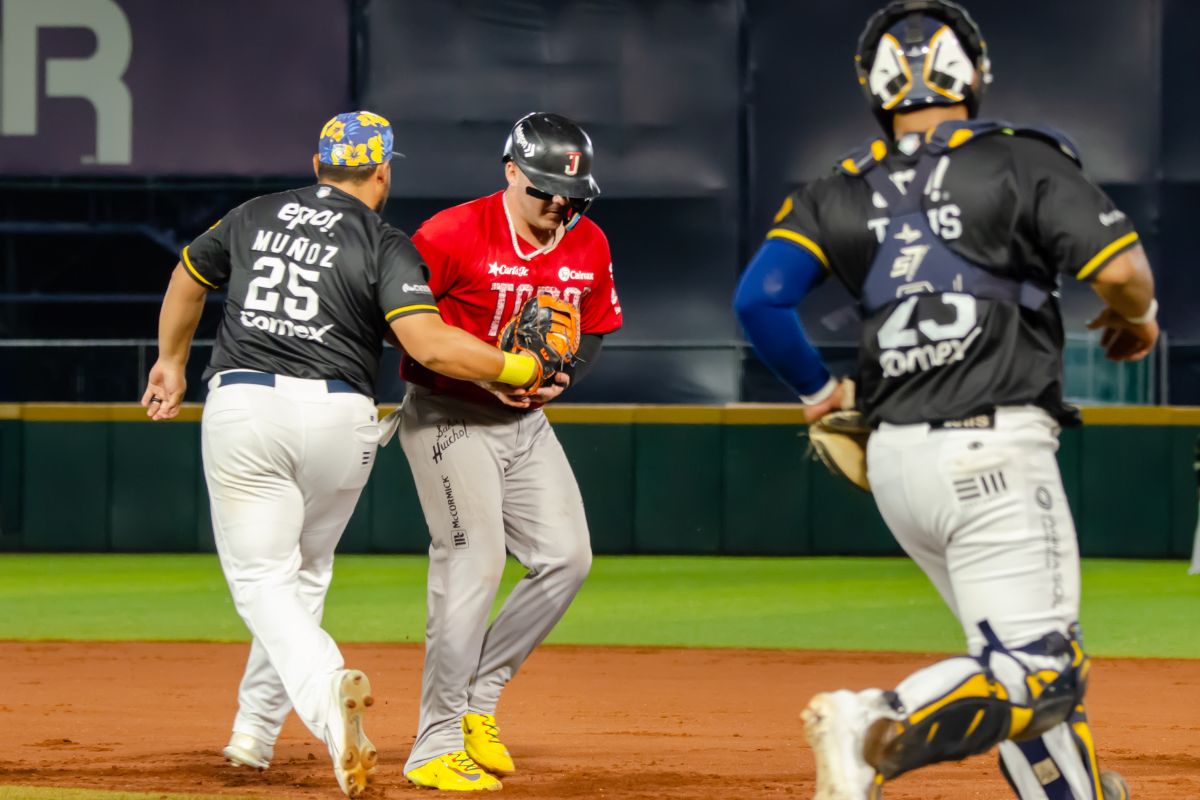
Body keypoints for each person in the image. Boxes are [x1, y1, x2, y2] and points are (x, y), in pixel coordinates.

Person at [733, 2, 1152, 798]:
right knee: (1045, 670)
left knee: (1011, 656)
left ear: (875, 88)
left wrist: (820, 392)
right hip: (992, 448)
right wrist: (1141, 319)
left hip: (897, 465)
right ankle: (873, 724)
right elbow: (1124, 274)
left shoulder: (837, 189)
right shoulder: (1020, 160)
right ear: (976, 73)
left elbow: (760, 302)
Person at [141, 111, 555, 798]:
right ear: (384, 170)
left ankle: (329, 694)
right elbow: (427, 346)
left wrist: (171, 362)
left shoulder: (254, 215)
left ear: (316, 164)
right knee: (303, 575)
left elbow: (188, 276)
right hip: (341, 417)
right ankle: (253, 733)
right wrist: (518, 369)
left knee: (262, 581)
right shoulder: (385, 242)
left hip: (248, 407)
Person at [398, 111, 621, 792]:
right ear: (511, 172)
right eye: (546, 190)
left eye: (572, 195)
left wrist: (560, 378)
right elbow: (399, 326)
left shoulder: (588, 243)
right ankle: (431, 744)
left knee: (567, 559)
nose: (559, 205)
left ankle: (477, 704)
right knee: (475, 558)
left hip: (525, 428)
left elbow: (596, 328)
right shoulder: (449, 234)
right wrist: (488, 368)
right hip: (447, 417)